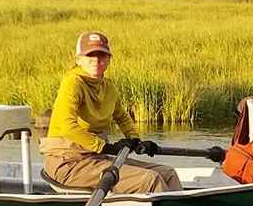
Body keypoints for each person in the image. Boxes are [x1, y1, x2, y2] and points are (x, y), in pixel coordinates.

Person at [40, 31, 183, 195]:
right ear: (79, 59)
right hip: (68, 163)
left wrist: (135, 139)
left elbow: (122, 117)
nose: (96, 61)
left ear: (109, 59)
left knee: (168, 174)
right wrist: (106, 147)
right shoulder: (72, 82)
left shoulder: (108, 86)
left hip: (96, 158)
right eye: (90, 55)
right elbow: (67, 126)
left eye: (101, 55)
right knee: (149, 180)